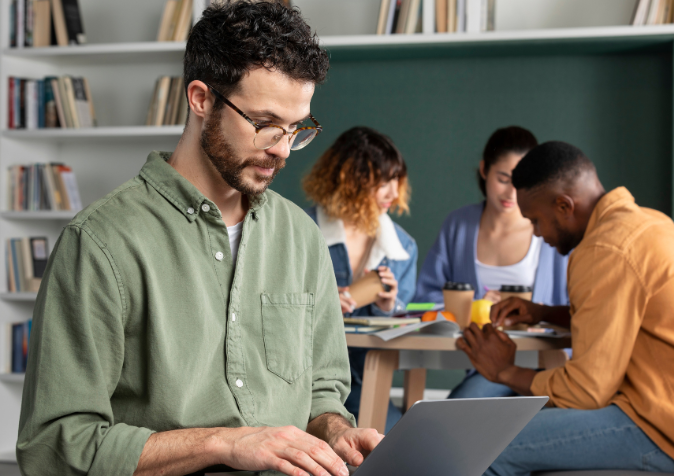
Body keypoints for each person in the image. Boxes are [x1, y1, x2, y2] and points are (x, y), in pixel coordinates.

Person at [16, 3, 382, 476]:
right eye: (266, 124)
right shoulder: (99, 244)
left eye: (296, 129)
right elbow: (54, 446)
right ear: (201, 99)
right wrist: (223, 444)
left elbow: (322, 393)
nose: (283, 150)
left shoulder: (301, 237)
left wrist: (336, 431)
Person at [457, 141, 674, 475]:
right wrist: (544, 313)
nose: (536, 233)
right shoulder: (648, 223)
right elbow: (622, 319)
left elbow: (586, 391)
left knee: (485, 446)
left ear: (564, 206)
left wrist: (504, 371)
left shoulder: (604, 249)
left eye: (536, 220)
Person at [414, 126, 568, 399]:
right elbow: (422, 302)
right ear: (484, 170)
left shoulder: (552, 231)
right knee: (456, 416)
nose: (511, 193)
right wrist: (472, 306)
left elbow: (574, 309)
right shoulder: (458, 225)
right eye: (503, 178)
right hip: (484, 368)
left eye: (521, 181)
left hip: (549, 367)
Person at [303, 126, 417, 432]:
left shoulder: (403, 248)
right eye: (382, 182)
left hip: (367, 384)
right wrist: (320, 308)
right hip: (303, 382)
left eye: (396, 180)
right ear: (350, 179)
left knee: (394, 448)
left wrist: (388, 306)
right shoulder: (301, 230)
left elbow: (404, 329)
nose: (393, 193)